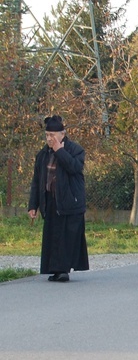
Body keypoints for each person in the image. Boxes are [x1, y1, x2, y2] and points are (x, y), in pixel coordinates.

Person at [28, 115, 89, 283]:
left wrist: (59, 151)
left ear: (62, 134)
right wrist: (33, 205)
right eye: (47, 135)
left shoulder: (75, 150)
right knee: (52, 237)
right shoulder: (42, 154)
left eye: (52, 135)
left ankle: (63, 271)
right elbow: (37, 181)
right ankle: (55, 270)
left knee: (66, 237)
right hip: (50, 201)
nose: (49, 139)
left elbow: (74, 167)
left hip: (70, 202)